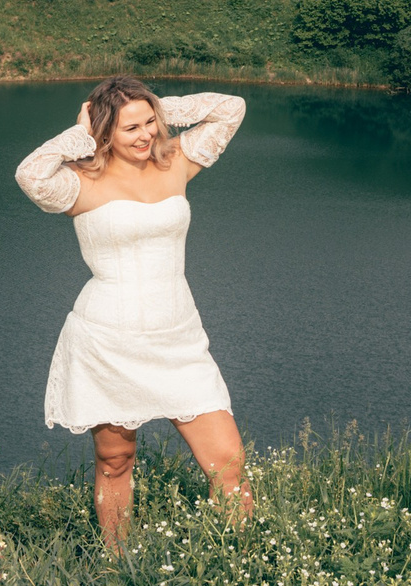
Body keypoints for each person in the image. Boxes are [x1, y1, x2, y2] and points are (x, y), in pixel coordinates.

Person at [15, 78, 252, 548]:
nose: (145, 136)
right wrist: (80, 132)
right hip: (109, 337)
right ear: (104, 133)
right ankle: (115, 564)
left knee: (228, 462)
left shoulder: (177, 162)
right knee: (115, 459)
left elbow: (231, 107)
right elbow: (29, 174)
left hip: (179, 335)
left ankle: (237, 569)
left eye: (149, 124)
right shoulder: (78, 183)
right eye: (130, 128)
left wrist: (156, 109)